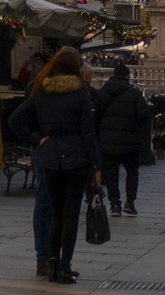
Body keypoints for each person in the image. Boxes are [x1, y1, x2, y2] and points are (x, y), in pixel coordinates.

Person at [8, 48, 100, 285]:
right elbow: (88, 133)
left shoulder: (42, 91)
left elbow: (14, 120)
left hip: (49, 158)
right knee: (70, 215)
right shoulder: (81, 93)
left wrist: (37, 141)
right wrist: (96, 165)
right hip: (76, 158)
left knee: (55, 214)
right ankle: (65, 266)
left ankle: (52, 264)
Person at [94, 62, 151, 215]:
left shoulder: (102, 93)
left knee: (111, 173)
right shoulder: (135, 93)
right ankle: (130, 202)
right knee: (132, 171)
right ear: (128, 77)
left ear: (112, 75)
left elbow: (95, 117)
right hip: (130, 140)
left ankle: (115, 205)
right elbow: (144, 115)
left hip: (108, 140)